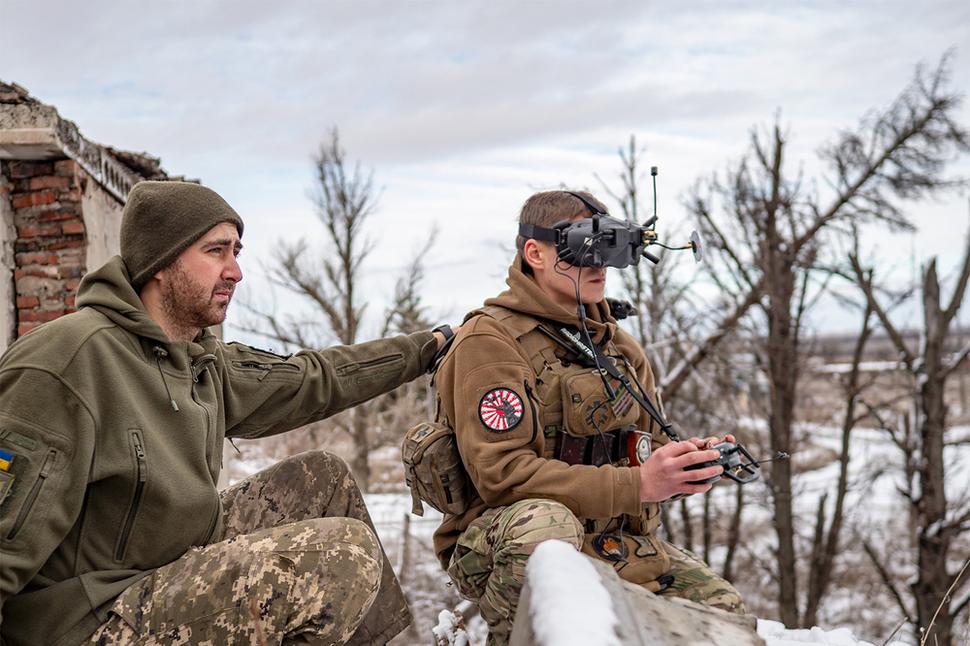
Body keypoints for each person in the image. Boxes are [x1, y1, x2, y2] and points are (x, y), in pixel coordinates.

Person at [0, 181, 452, 646]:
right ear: (162, 261)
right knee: (342, 553)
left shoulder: (197, 358)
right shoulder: (66, 364)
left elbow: (313, 378)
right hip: (89, 620)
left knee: (323, 479)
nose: (235, 271)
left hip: (167, 568)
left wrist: (427, 348)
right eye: (216, 251)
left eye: (236, 252)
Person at [432, 190, 745, 646]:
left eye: (608, 250)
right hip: (509, 542)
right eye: (583, 248)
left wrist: (683, 464)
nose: (599, 266)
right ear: (534, 253)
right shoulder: (490, 343)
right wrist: (637, 486)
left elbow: (645, 446)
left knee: (726, 619)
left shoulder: (618, 347)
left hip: (611, 538)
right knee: (546, 533)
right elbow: (501, 476)